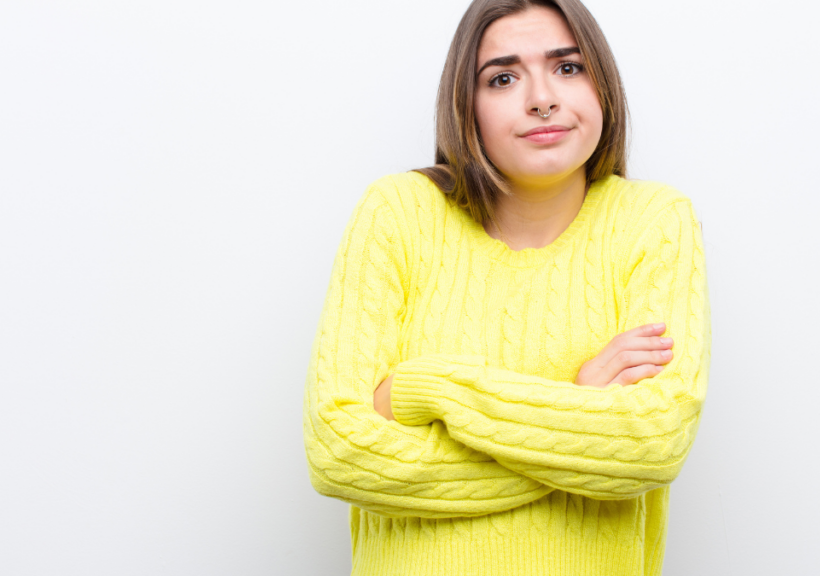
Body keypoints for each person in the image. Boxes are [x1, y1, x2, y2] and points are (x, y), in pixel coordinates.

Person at [302, 0, 711, 574]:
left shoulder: (652, 220)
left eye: (568, 67)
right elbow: (338, 453)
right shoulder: (397, 212)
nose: (542, 97)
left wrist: (424, 389)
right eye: (502, 77)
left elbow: (649, 445)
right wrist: (580, 406)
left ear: (603, 85)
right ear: (464, 106)